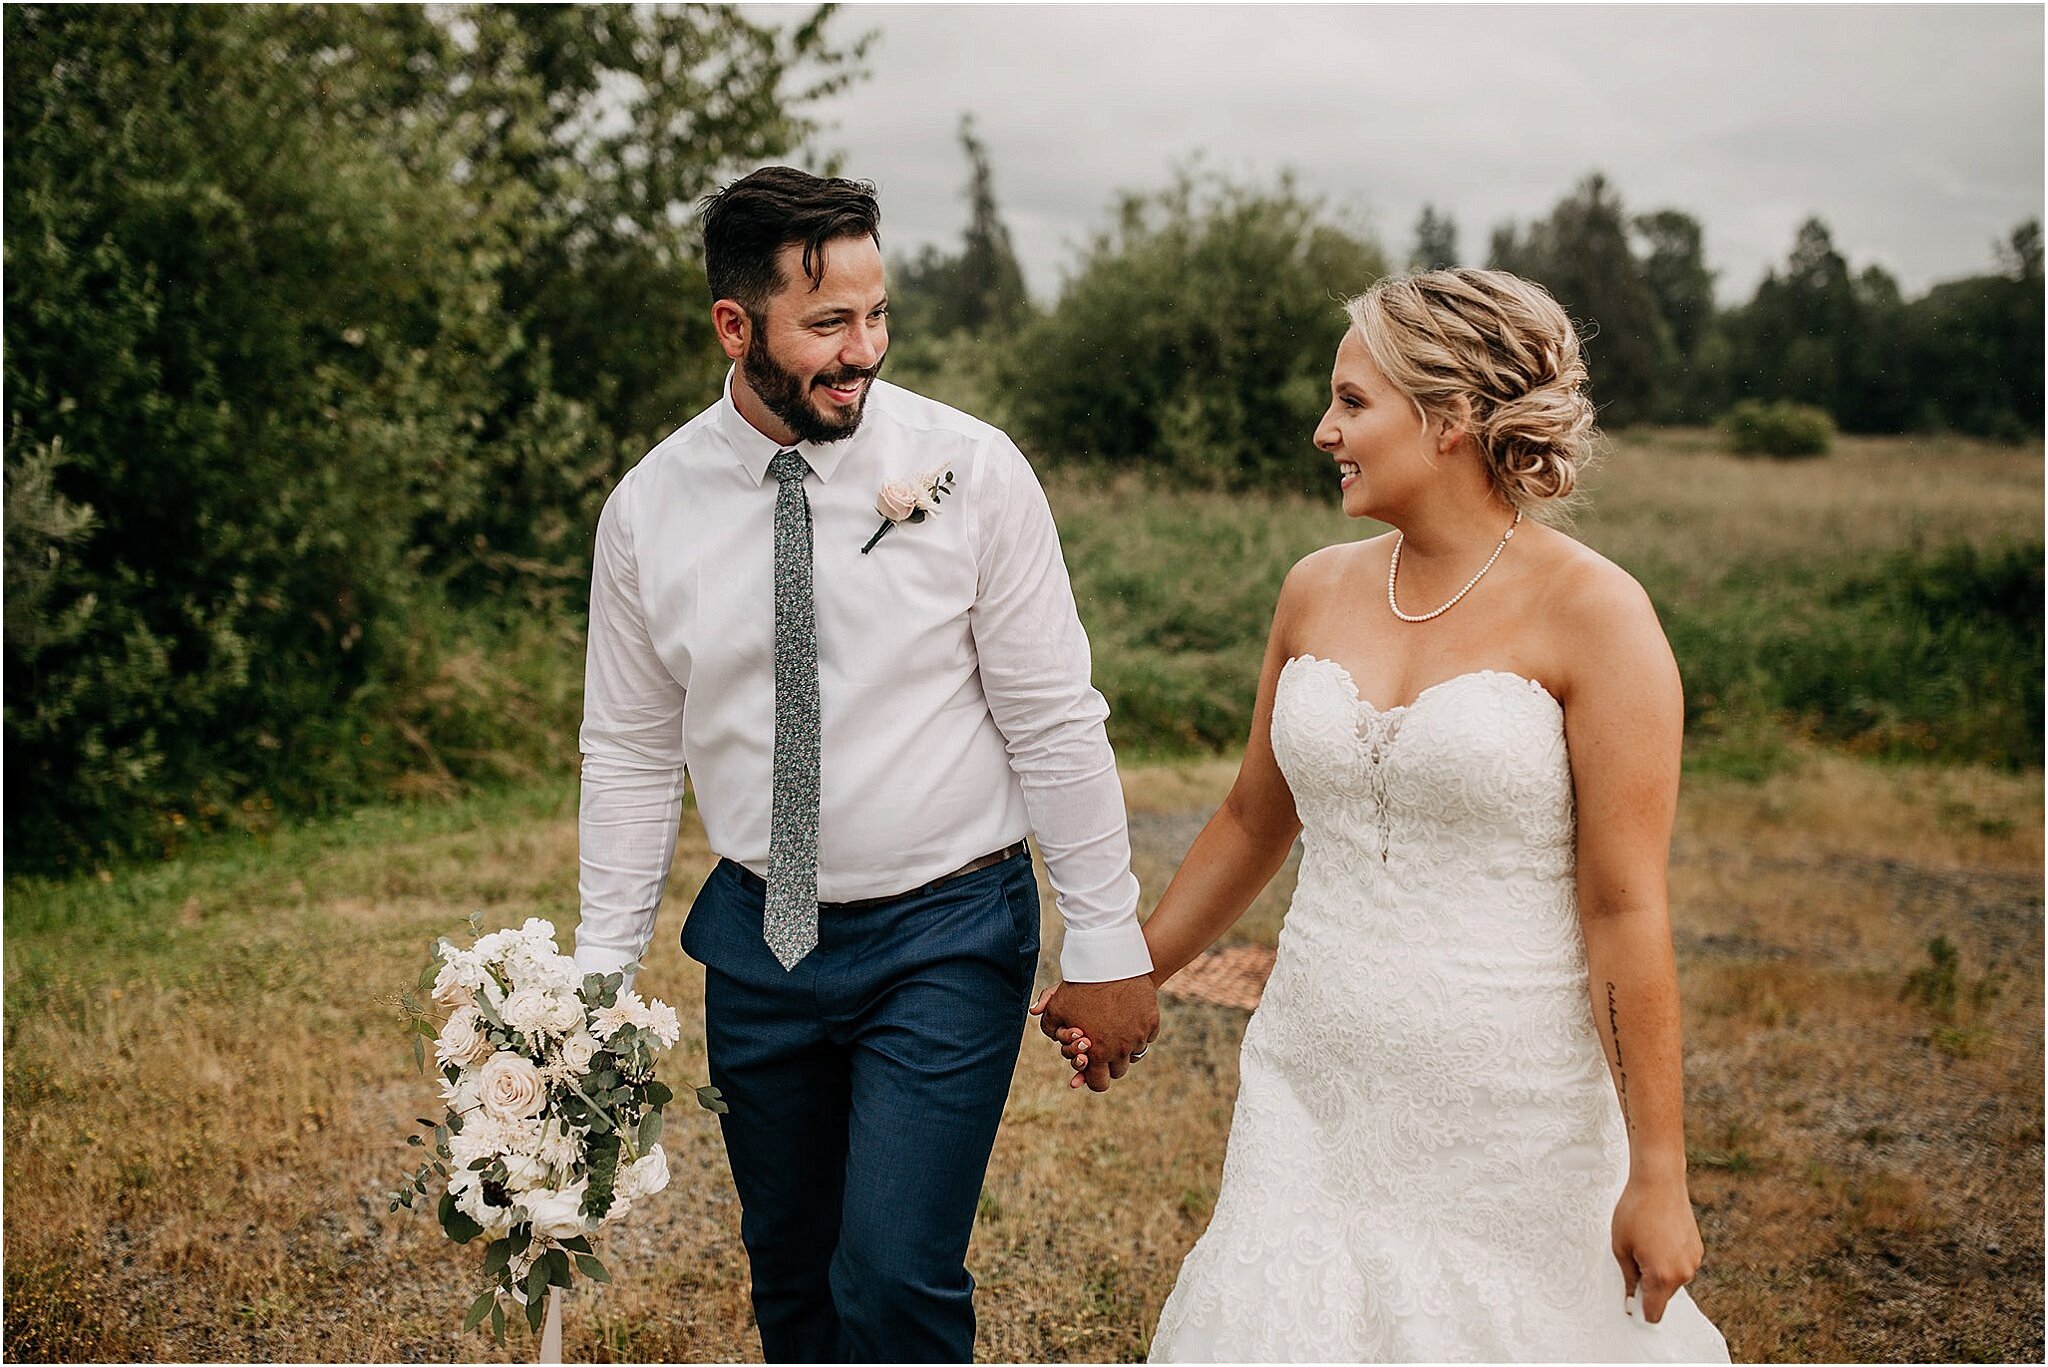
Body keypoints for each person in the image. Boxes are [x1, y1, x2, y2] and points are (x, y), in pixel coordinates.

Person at [1040, 269, 1731, 1361]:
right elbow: (1249, 817)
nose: (1323, 431)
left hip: (1508, 1102)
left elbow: (1623, 908)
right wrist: (1129, 969)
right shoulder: (1314, 587)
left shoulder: (1597, 614)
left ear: (1451, 417)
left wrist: (1656, 1170)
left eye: (1351, 402)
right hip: (1311, 1075)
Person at [571, 166, 1158, 1363]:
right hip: (757, 939)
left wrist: (1106, 940)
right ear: (735, 327)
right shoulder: (646, 509)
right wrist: (597, 973)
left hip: (944, 928)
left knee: (890, 1273)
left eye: (876, 314)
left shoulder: (974, 469)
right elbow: (630, 747)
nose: (864, 350)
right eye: (828, 324)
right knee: (792, 1280)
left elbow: (1053, 716)